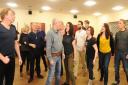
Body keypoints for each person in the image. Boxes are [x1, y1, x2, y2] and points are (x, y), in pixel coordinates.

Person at [0, 8, 22, 85]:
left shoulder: (13, 27)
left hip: (11, 59)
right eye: (12, 15)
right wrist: (3, 58)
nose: (14, 17)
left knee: (10, 81)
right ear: (5, 16)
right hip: (1, 60)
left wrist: (19, 57)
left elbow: (15, 43)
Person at [45, 19, 64, 85]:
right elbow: (48, 47)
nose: (60, 25)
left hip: (59, 56)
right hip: (53, 57)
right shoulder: (50, 33)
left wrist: (63, 53)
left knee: (58, 73)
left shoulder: (59, 32)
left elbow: (61, 44)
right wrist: (50, 59)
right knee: (51, 75)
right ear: (55, 24)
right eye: (59, 24)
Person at [112, 19, 128, 85]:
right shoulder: (117, 33)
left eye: (120, 23)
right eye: (118, 23)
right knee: (116, 68)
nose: (118, 24)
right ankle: (117, 81)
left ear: (124, 24)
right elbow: (115, 44)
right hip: (117, 53)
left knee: (126, 69)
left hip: (125, 54)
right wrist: (114, 54)